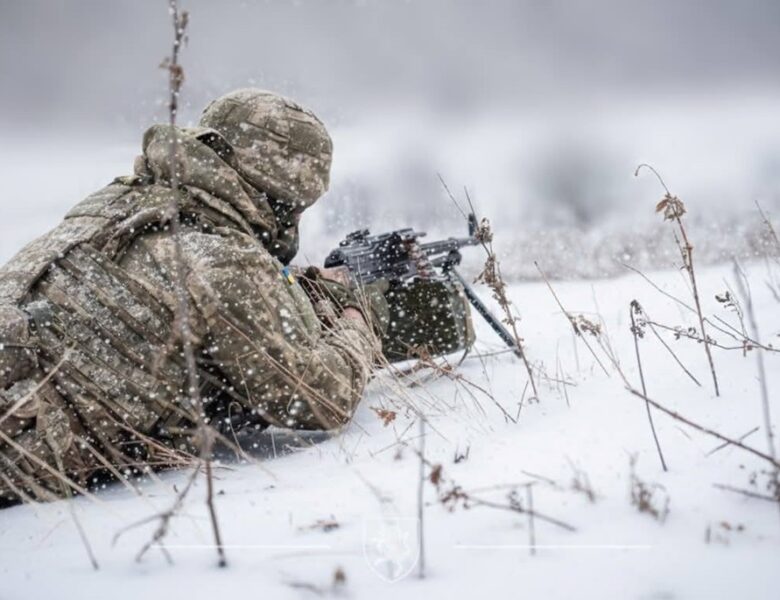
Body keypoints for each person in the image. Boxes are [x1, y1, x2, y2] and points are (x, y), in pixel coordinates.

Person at [0, 89, 389, 505]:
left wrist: (295, 289)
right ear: (278, 194)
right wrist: (356, 321)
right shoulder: (220, 258)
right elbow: (322, 396)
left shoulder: (114, 201)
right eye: (297, 206)